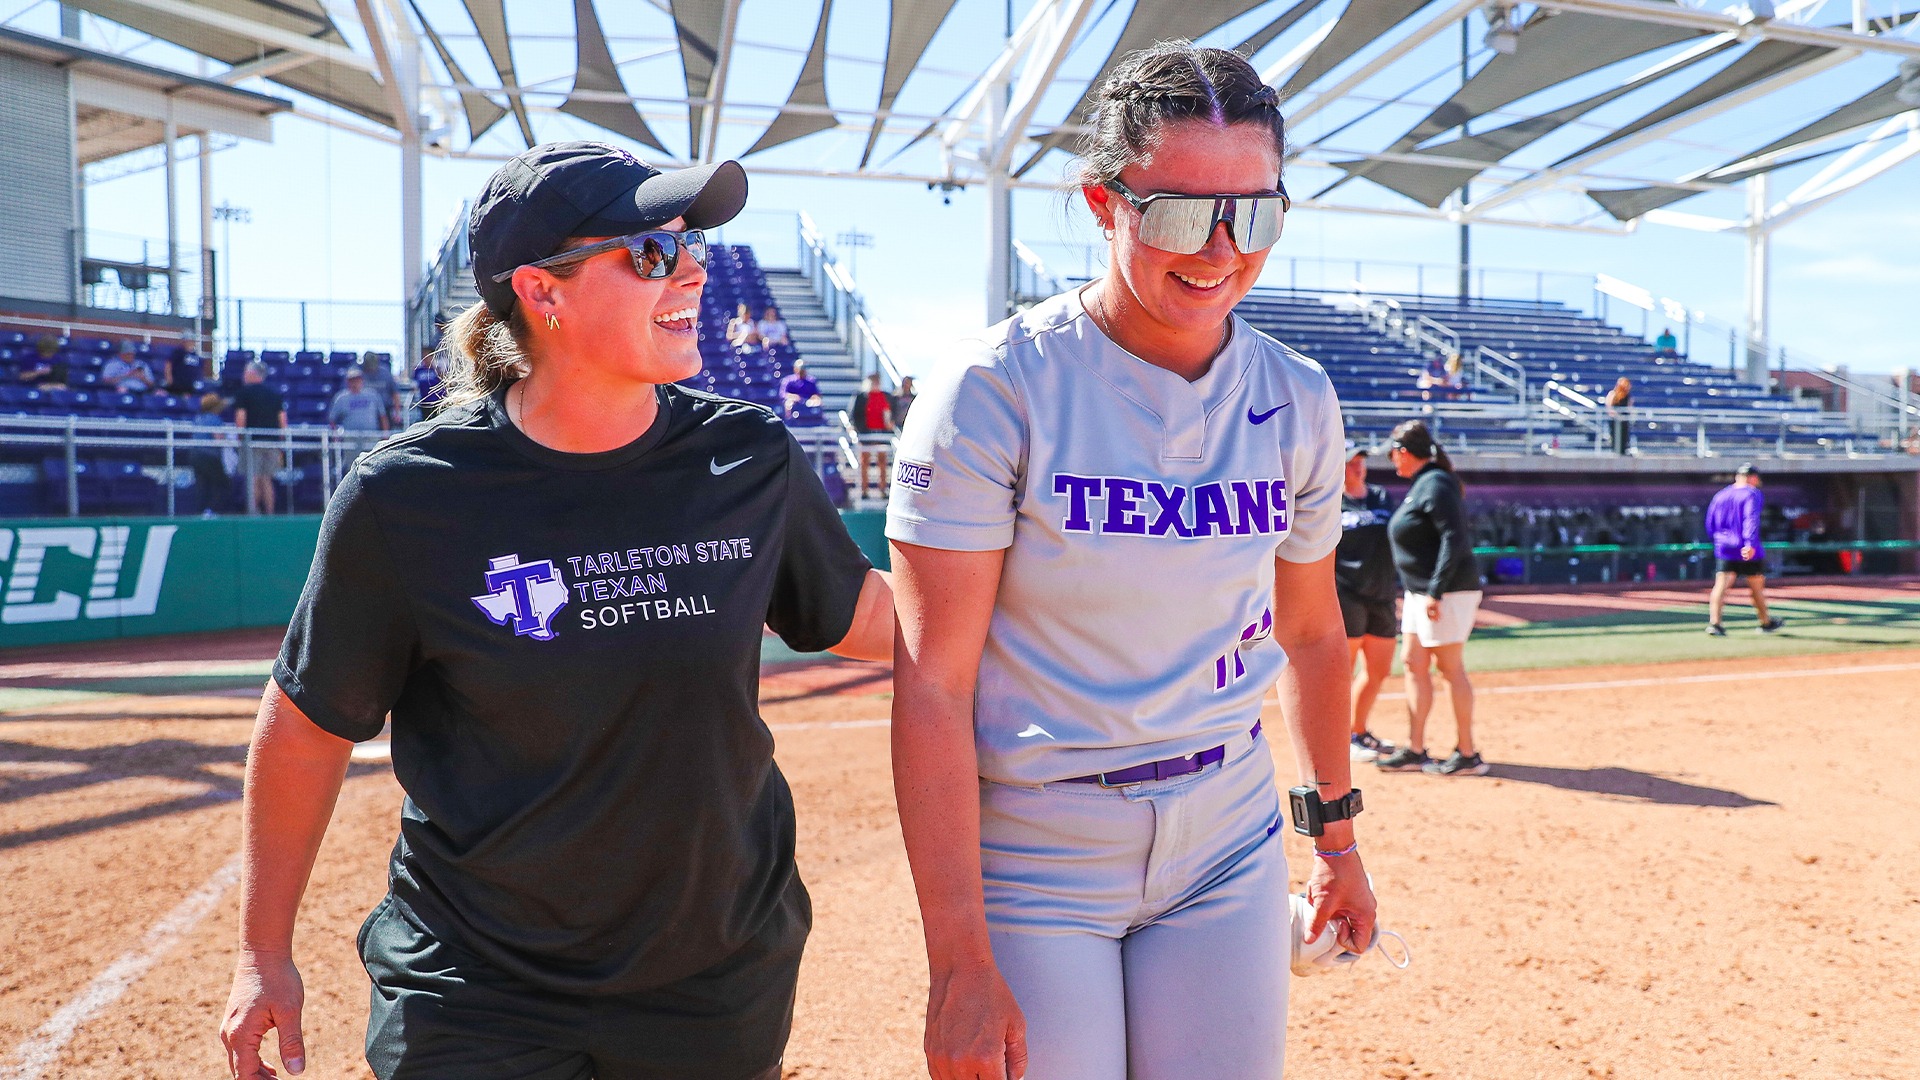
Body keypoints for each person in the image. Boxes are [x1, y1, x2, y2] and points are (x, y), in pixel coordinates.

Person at [219, 141, 895, 1080]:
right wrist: (263, 954)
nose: (695, 267)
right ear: (543, 293)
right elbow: (303, 731)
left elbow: (861, 613)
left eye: (689, 245)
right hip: (478, 988)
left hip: (712, 979)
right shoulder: (408, 497)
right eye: (652, 254)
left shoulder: (749, 457)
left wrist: (1063, 608)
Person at [887, 44, 1372, 1080]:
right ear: (1104, 204)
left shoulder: (1300, 399)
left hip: (1228, 841)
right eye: (1181, 213)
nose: (1221, 248)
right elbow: (933, 684)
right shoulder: (994, 391)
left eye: (1257, 212)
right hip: (1037, 849)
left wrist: (1336, 842)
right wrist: (957, 961)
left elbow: (1315, 633)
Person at [1375, 419, 1486, 777]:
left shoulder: (1437, 483)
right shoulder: (1423, 484)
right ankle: (1416, 747)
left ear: (1405, 452)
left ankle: (1468, 753)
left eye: (1394, 454)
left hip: (1445, 591)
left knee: (1450, 669)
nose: (1392, 461)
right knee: (1412, 662)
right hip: (1420, 592)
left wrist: (1436, 591)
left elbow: (1454, 539)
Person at [1336, 441, 1398, 761]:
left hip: (1383, 594)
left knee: (1378, 669)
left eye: (1360, 460)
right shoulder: (1333, 501)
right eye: (1350, 462)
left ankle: (1358, 730)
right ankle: (1340, 738)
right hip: (1347, 594)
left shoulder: (1381, 496)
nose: (1358, 466)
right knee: (1342, 672)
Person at [1705, 463, 1784, 636]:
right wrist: (1749, 543)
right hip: (1747, 548)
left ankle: (1715, 623)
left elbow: (1710, 522)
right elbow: (1750, 519)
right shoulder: (1752, 493)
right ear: (1753, 478)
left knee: (1721, 585)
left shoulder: (1721, 494)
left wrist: (1717, 541)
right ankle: (1765, 622)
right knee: (1756, 587)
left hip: (1724, 547)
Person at [230, 361, 287, 515]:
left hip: (252, 443)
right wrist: (280, 445)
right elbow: (283, 422)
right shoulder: (275, 395)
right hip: (272, 443)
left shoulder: (243, 393)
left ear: (251, 374)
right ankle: (270, 513)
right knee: (267, 479)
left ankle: (253, 514)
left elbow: (240, 419)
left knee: (253, 479)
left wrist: (240, 440)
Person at [846, 372, 893, 500]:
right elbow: (853, 414)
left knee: (882, 462)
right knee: (864, 462)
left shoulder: (885, 396)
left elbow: (890, 413)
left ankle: (883, 489)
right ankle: (864, 489)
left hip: (881, 435)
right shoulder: (861, 397)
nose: (876, 383)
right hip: (866, 435)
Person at [327, 367, 392, 453]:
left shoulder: (373, 395)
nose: (355, 383)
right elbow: (332, 419)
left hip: (371, 437)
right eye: (352, 380)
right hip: (350, 438)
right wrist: (335, 435)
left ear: (362, 381)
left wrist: (385, 436)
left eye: (357, 380)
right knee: (351, 464)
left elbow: (382, 416)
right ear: (347, 382)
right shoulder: (341, 398)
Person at [189, 392, 232, 514]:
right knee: (223, 484)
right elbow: (218, 439)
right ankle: (213, 510)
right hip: (209, 456)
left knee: (202, 485)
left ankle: (201, 511)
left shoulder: (198, 419)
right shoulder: (215, 419)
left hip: (195, 455)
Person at [359, 353, 404, 427]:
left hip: (385, 409)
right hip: (364, 411)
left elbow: (395, 393)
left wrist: (397, 413)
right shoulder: (359, 374)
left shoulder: (385, 373)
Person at [410, 352, 445, 422]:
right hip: (425, 401)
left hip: (437, 401)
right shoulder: (419, 370)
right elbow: (414, 384)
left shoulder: (436, 370)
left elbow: (444, 381)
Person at [1604, 376, 1633, 455]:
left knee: (1624, 437)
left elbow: (1629, 408)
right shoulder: (1613, 394)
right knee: (1615, 436)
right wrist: (1617, 415)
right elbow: (1609, 407)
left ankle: (1623, 451)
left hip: (1624, 421)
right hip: (1615, 420)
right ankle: (1615, 451)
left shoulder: (1628, 396)